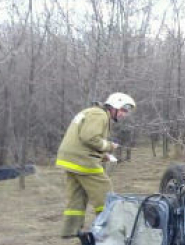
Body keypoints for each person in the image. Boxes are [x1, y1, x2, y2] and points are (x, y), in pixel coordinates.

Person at [56, 93, 136, 237]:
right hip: (82, 161)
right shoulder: (99, 115)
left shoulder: (91, 112)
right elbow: (90, 137)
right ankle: (112, 230)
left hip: (70, 159)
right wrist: (109, 146)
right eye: (123, 110)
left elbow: (84, 140)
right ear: (114, 106)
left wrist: (102, 156)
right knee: (105, 194)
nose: (124, 115)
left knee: (77, 197)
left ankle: (70, 231)